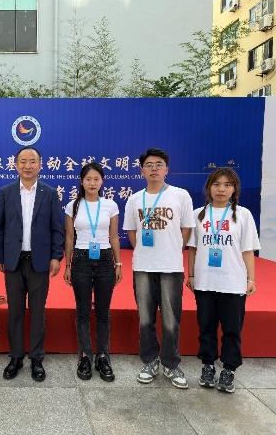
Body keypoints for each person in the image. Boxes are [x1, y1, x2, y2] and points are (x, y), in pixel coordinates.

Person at [123, 148, 195, 389]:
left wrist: (173, 248)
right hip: (143, 265)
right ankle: (150, 361)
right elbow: (131, 231)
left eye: (159, 164)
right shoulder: (134, 199)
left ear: (167, 169)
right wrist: (144, 251)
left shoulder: (180, 195)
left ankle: (171, 364)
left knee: (171, 318)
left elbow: (187, 228)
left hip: (171, 265)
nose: (154, 168)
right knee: (145, 317)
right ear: (141, 171)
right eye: (149, 165)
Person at [0, 146, 64, 382]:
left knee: (37, 311)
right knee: (14, 311)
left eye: (32, 161)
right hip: (13, 261)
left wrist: (56, 256)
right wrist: (0, 257)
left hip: (39, 260)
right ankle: (15, 357)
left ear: (40, 165)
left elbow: (57, 228)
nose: (27, 166)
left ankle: (36, 358)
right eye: (23, 161)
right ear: (16, 165)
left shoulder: (50, 193)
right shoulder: (6, 192)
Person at [186, 167, 259, 393]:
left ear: (234, 189)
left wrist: (251, 279)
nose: (221, 189)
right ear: (209, 188)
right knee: (206, 327)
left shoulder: (243, 215)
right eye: (216, 184)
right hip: (205, 281)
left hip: (232, 281)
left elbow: (248, 250)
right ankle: (208, 366)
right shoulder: (199, 214)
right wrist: (191, 275)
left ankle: (229, 369)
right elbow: (192, 248)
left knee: (232, 329)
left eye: (227, 185)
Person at [63, 163, 123, 382]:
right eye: (88, 179)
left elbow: (114, 236)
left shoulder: (110, 205)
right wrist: (67, 265)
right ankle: (85, 356)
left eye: (96, 179)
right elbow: (69, 237)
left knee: (103, 312)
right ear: (81, 182)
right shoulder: (73, 206)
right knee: (83, 311)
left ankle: (103, 356)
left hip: (105, 260)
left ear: (102, 181)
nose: (92, 183)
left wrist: (118, 263)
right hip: (81, 259)